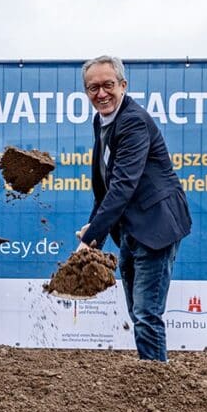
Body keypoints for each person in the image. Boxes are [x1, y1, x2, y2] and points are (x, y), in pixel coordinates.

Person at [77, 55, 191, 362]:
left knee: (146, 312)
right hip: (131, 227)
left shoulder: (133, 121)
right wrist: (94, 232)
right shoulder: (102, 120)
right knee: (137, 309)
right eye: (93, 87)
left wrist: (91, 238)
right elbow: (106, 183)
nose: (101, 93)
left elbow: (123, 185)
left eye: (108, 85)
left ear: (123, 85)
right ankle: (148, 374)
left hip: (156, 225)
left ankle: (155, 382)